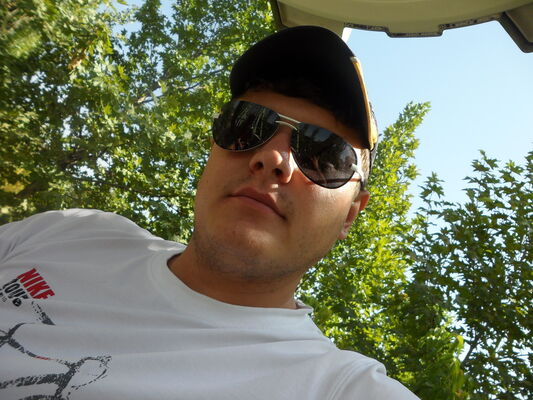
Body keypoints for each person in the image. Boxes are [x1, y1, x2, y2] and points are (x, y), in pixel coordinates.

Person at [0, 26, 418, 399]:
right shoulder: (71, 234)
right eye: (247, 124)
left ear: (350, 215)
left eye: (324, 155)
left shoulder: (337, 388)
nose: (273, 158)